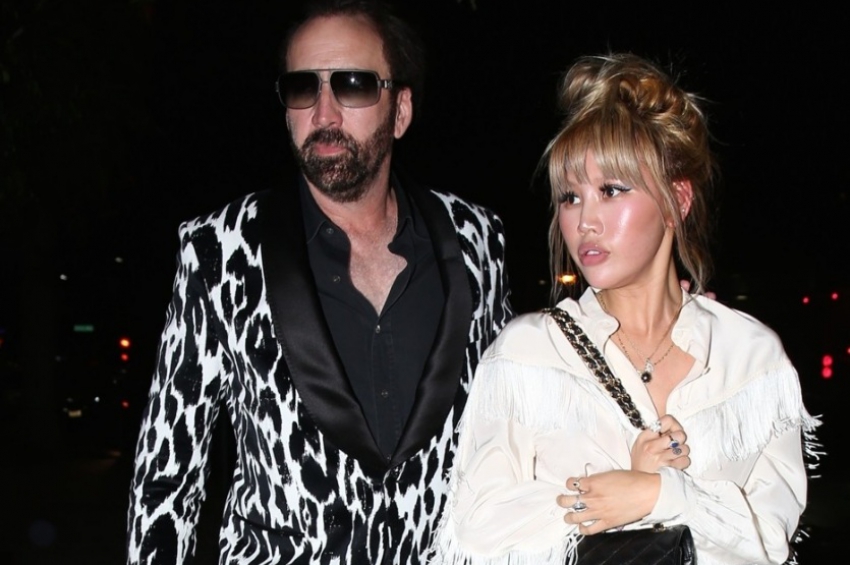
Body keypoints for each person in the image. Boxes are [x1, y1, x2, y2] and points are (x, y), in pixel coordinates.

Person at [125, 1, 512, 563]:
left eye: (353, 85)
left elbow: (508, 434)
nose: (324, 112)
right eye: (303, 88)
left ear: (401, 110)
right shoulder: (219, 250)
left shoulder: (476, 241)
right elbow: (166, 477)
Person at [429, 53, 820, 565]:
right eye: (570, 197)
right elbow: (477, 531)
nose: (585, 222)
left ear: (677, 201)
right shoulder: (530, 354)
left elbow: (769, 541)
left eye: (611, 191)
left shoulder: (749, 358)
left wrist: (663, 494)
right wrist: (616, 492)